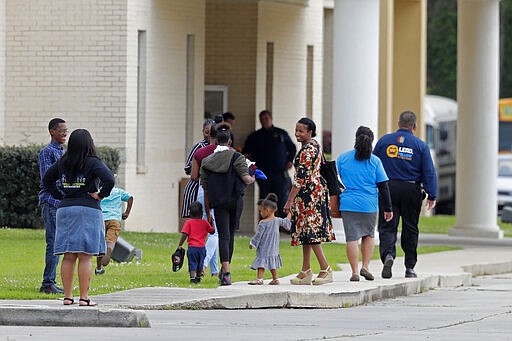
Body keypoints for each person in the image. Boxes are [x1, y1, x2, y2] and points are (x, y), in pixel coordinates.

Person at [42, 129, 115, 306]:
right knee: (85, 256)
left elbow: (47, 179)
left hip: (65, 209)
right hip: (87, 210)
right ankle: (84, 298)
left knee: (68, 256)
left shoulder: (63, 162)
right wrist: (100, 195)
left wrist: (60, 195)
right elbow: (109, 180)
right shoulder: (93, 162)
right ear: (89, 143)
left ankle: (68, 297)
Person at [373, 111, 437, 279]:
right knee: (410, 227)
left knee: (387, 225)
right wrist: (432, 194)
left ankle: (388, 255)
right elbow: (429, 171)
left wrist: (373, 186)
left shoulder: (384, 141)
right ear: (414, 126)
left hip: (388, 188)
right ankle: (410, 267)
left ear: (398, 123)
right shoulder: (420, 145)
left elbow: (373, 164)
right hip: (411, 190)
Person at [336, 126, 393, 282]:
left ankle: (354, 272)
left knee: (351, 238)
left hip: (348, 203)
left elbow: (335, 180)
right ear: (372, 141)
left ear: (356, 139)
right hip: (369, 205)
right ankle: (365, 266)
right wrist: (388, 208)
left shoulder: (343, 158)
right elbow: (383, 186)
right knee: (368, 235)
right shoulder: (375, 161)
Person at [200, 128, 255, 286]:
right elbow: (245, 178)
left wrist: (208, 210)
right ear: (230, 142)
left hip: (218, 202)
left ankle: (226, 272)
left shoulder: (207, 161)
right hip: (235, 200)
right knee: (230, 235)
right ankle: (225, 272)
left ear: (216, 141)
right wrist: (253, 176)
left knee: (222, 236)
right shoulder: (237, 157)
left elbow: (206, 188)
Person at [284, 117, 335, 285]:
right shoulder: (312, 145)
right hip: (308, 195)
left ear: (310, 132)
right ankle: (306, 271)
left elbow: (300, 179)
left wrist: (289, 201)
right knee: (305, 233)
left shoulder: (308, 150)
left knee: (311, 233)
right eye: (296, 130)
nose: (297, 133)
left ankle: (326, 269)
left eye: (301, 131)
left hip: (310, 197)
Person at [243, 110, 296, 217]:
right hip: (263, 174)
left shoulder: (281, 133)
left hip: (280, 173)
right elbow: (246, 154)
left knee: (281, 199)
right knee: (265, 200)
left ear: (271, 119)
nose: (264, 121)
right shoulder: (255, 136)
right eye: (262, 119)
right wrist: (253, 168)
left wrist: (290, 161)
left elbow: (292, 148)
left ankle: (282, 224)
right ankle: (266, 222)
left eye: (266, 118)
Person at [38, 117, 68, 294]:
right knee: (53, 242)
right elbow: (47, 179)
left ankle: (51, 281)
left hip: (62, 203)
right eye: (61, 130)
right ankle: (47, 284)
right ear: (52, 131)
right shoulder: (47, 152)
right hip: (51, 202)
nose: (65, 133)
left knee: (60, 243)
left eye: (66, 131)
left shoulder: (63, 153)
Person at [191, 123, 221, 277]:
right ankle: (202, 263)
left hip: (202, 192)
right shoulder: (225, 152)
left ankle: (214, 271)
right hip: (218, 194)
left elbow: (194, 176)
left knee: (207, 229)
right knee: (214, 232)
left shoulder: (200, 152)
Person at [248, 193, 291, 285]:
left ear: (266, 210)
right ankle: (275, 279)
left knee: (261, 262)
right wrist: (290, 213)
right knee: (272, 263)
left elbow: (258, 235)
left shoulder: (262, 223)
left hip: (264, 247)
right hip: (274, 248)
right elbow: (287, 224)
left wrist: (252, 243)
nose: (260, 213)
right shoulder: (278, 220)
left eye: (261, 211)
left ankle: (259, 279)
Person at [94, 178, 134, 275]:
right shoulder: (117, 191)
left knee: (100, 245)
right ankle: (109, 250)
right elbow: (130, 198)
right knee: (110, 241)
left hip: (101, 219)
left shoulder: (99, 192)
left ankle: (99, 268)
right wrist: (127, 212)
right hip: (114, 220)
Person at [181, 119, 215, 218]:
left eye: (211, 132)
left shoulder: (218, 147)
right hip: (196, 188)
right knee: (195, 219)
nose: (208, 135)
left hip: (210, 187)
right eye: (206, 132)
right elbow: (187, 168)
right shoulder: (199, 147)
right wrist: (197, 165)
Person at [177, 201, 215, 284]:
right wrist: (212, 223)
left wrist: (180, 245)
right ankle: (198, 277)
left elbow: (184, 234)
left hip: (192, 248)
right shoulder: (205, 223)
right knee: (200, 263)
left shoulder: (188, 223)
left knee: (192, 263)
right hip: (201, 248)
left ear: (190, 214)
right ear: (201, 213)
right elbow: (212, 231)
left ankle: (192, 278)